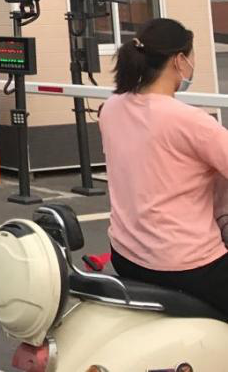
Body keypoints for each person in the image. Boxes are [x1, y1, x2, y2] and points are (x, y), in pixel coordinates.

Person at [98, 16, 228, 314]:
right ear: (179, 61)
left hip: (127, 257)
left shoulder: (112, 108)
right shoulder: (190, 121)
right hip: (188, 265)